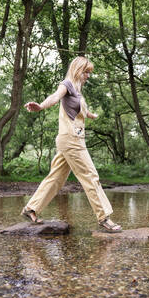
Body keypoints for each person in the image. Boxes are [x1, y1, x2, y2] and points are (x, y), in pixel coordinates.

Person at [21, 56, 122, 233]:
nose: (88, 76)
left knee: (56, 178)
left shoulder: (78, 90)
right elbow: (54, 97)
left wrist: (90, 115)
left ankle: (31, 208)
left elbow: (79, 109)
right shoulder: (66, 84)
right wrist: (41, 106)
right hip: (71, 140)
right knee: (91, 176)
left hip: (71, 140)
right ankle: (104, 217)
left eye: (89, 73)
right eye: (86, 72)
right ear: (77, 70)